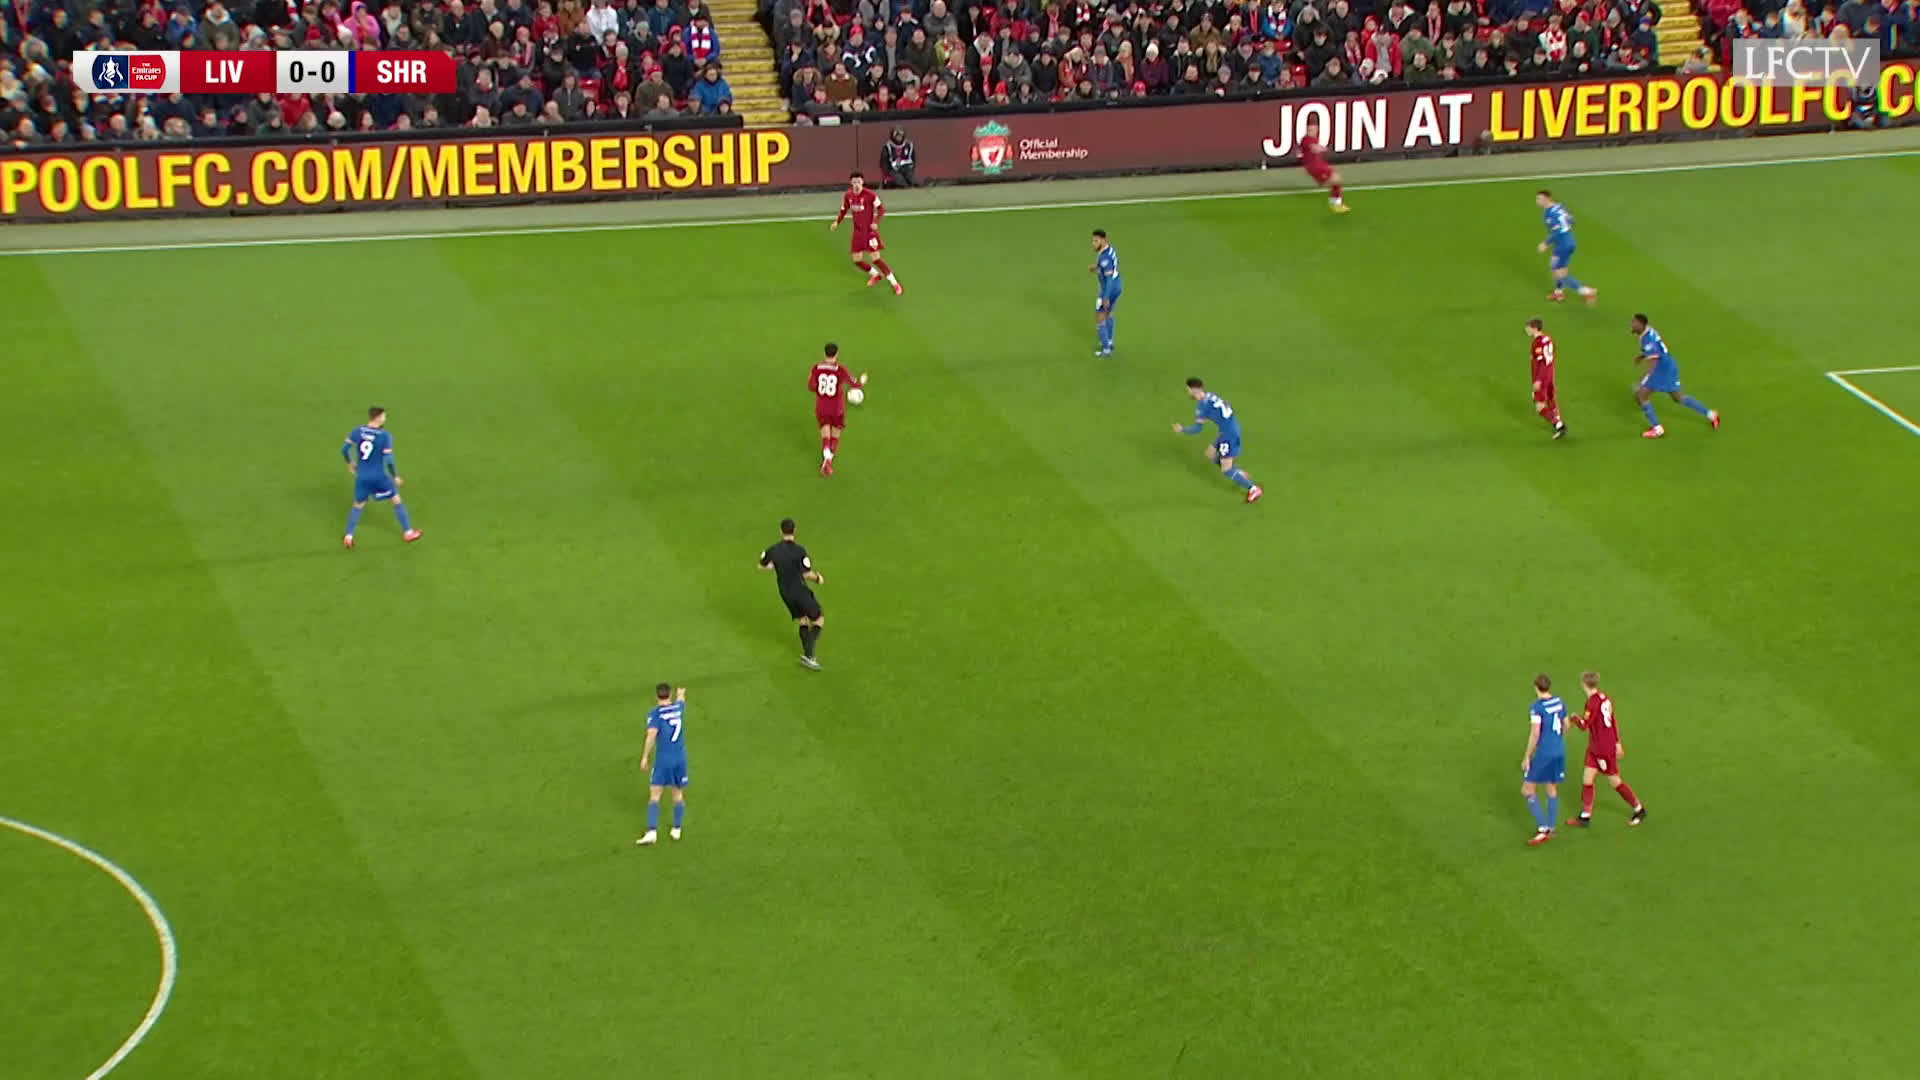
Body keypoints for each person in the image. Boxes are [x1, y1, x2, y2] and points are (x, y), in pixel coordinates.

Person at [1565, 671, 1647, 828]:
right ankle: (1585, 817)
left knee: (1614, 781)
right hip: (1598, 746)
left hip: (1602, 748)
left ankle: (1639, 809)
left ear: (1584, 684)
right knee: (1587, 778)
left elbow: (1584, 725)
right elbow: (1612, 720)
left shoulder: (1592, 703)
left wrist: (1574, 718)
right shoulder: (1605, 698)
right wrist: (1617, 742)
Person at [340, 406, 422, 549]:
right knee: (396, 500)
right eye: (384, 416)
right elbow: (389, 460)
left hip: (362, 476)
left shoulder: (358, 431)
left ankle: (348, 536)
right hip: (379, 477)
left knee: (358, 505)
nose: (385, 418)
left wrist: (350, 463)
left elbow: (344, 449)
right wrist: (395, 476)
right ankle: (408, 532)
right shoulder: (385, 436)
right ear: (378, 418)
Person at [1173, 378, 1264, 503]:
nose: (1188, 392)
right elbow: (1228, 406)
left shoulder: (1202, 406)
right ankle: (1238, 473)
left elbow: (1197, 428)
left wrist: (1182, 429)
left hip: (1229, 435)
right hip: (1232, 428)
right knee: (1210, 453)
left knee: (1226, 470)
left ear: (1194, 390)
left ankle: (1253, 488)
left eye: (1188, 390)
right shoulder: (1212, 395)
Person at [1631, 314, 1720, 439]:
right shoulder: (1648, 331)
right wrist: (1642, 356)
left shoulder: (1647, 339)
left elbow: (1653, 362)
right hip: (1668, 365)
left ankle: (1657, 429)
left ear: (1641, 325)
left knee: (1641, 395)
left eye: (1634, 323)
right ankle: (1711, 415)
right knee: (1678, 398)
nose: (1632, 324)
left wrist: (1643, 379)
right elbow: (1656, 348)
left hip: (1661, 369)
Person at [759, 518, 827, 670]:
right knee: (818, 619)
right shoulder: (799, 551)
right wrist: (818, 578)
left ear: (781, 531)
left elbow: (762, 566)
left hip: (785, 593)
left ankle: (808, 656)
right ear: (794, 530)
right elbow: (807, 573)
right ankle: (809, 655)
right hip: (799, 590)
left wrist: (776, 566)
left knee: (803, 620)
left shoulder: (773, 550)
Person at [830, 172, 903, 294]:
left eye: (859, 182)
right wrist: (837, 222)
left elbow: (881, 209)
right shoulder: (848, 196)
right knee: (857, 260)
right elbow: (844, 209)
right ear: (851, 182)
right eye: (854, 182)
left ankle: (895, 283)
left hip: (869, 232)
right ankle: (876, 275)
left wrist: (876, 222)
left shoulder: (870, 195)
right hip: (858, 233)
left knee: (876, 259)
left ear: (862, 182)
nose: (856, 184)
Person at [635, 683, 688, 846]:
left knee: (655, 795)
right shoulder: (678, 709)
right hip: (680, 759)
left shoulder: (656, 714)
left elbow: (651, 736)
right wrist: (681, 694)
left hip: (664, 760)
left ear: (656, 695)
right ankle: (677, 829)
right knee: (677, 795)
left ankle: (652, 832)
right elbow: (681, 701)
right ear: (669, 694)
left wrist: (645, 757)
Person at [1520, 674, 1568, 846]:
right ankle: (1552, 827)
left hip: (1544, 753)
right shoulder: (1559, 702)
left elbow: (1535, 733)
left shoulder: (1537, 707)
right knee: (1551, 787)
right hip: (1559, 750)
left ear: (1536, 688)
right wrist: (1557, 740)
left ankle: (1543, 828)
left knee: (1527, 790)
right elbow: (1566, 724)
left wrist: (1527, 755)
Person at [809, 343, 867, 477]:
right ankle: (828, 462)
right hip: (836, 408)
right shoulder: (840, 369)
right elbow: (855, 383)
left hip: (821, 407)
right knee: (835, 435)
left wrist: (821, 391)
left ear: (824, 353)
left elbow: (811, 386)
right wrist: (862, 380)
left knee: (825, 434)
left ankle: (826, 460)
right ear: (837, 353)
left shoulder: (816, 368)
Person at [1535, 189, 1597, 304]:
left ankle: (1587, 292)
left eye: (1539, 199)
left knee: (1560, 274)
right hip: (1568, 242)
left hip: (1563, 245)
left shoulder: (1550, 214)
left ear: (1547, 199)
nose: (1537, 201)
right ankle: (1559, 292)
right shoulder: (1560, 206)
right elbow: (1572, 220)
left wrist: (1545, 243)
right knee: (1556, 267)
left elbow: (1556, 232)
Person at [1526, 318, 1566, 439]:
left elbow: (1542, 362)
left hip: (1542, 377)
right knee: (1551, 399)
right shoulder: (1547, 339)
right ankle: (1558, 421)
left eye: (1528, 327)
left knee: (1540, 407)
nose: (1526, 329)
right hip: (1549, 374)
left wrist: (1538, 379)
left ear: (1534, 328)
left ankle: (1559, 425)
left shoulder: (1537, 343)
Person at [1298, 120, 1348, 213]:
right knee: (1336, 179)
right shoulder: (1306, 139)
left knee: (1336, 178)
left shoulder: (1314, 139)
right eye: (1309, 130)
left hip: (1320, 165)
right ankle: (1335, 204)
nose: (1312, 132)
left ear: (1317, 129)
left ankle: (1334, 202)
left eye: (1313, 129)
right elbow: (1313, 147)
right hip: (1314, 167)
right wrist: (1321, 148)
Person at [1089, 228, 1122, 357]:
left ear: (1103, 240)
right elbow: (1108, 269)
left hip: (1109, 289)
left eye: (1096, 241)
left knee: (1100, 318)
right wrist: (1097, 268)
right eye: (1093, 240)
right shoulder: (1109, 250)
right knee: (1109, 314)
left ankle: (1106, 350)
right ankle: (1109, 341)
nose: (1093, 243)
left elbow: (1108, 279)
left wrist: (1106, 297)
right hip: (1117, 285)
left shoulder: (1105, 258)